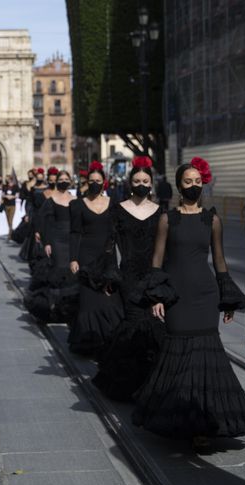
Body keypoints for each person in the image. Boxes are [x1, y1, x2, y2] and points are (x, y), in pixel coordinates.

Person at [134, 157, 245, 447]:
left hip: (205, 295)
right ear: (178, 186)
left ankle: (204, 423)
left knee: (205, 355)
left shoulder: (212, 219)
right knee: (179, 354)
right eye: (188, 182)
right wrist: (156, 297)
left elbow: (220, 260)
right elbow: (157, 260)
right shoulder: (168, 218)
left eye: (197, 182)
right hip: (176, 296)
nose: (193, 186)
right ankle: (178, 417)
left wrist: (227, 299)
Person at [92, 156, 165, 401]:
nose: (141, 184)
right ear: (130, 182)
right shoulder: (119, 209)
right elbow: (109, 246)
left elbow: (165, 249)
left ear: (152, 183)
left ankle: (151, 384)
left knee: (155, 327)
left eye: (145, 180)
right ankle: (130, 384)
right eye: (137, 180)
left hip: (153, 276)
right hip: (130, 277)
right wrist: (111, 275)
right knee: (134, 325)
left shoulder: (160, 211)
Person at [68, 161, 123, 355]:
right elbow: (75, 233)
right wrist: (73, 258)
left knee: (109, 300)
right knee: (88, 301)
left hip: (107, 256)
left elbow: (118, 232)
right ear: (86, 182)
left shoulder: (114, 203)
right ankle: (88, 340)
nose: (94, 183)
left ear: (104, 182)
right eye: (91, 180)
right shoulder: (77, 205)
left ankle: (109, 339)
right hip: (86, 257)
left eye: (98, 180)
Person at [25, 169, 78, 323]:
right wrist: (47, 242)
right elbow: (44, 222)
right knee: (58, 271)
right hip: (56, 239)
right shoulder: (51, 200)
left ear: (70, 181)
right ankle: (53, 308)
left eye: (65, 178)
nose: (63, 181)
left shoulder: (75, 199)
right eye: (60, 178)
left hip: (72, 239)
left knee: (71, 272)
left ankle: (68, 309)